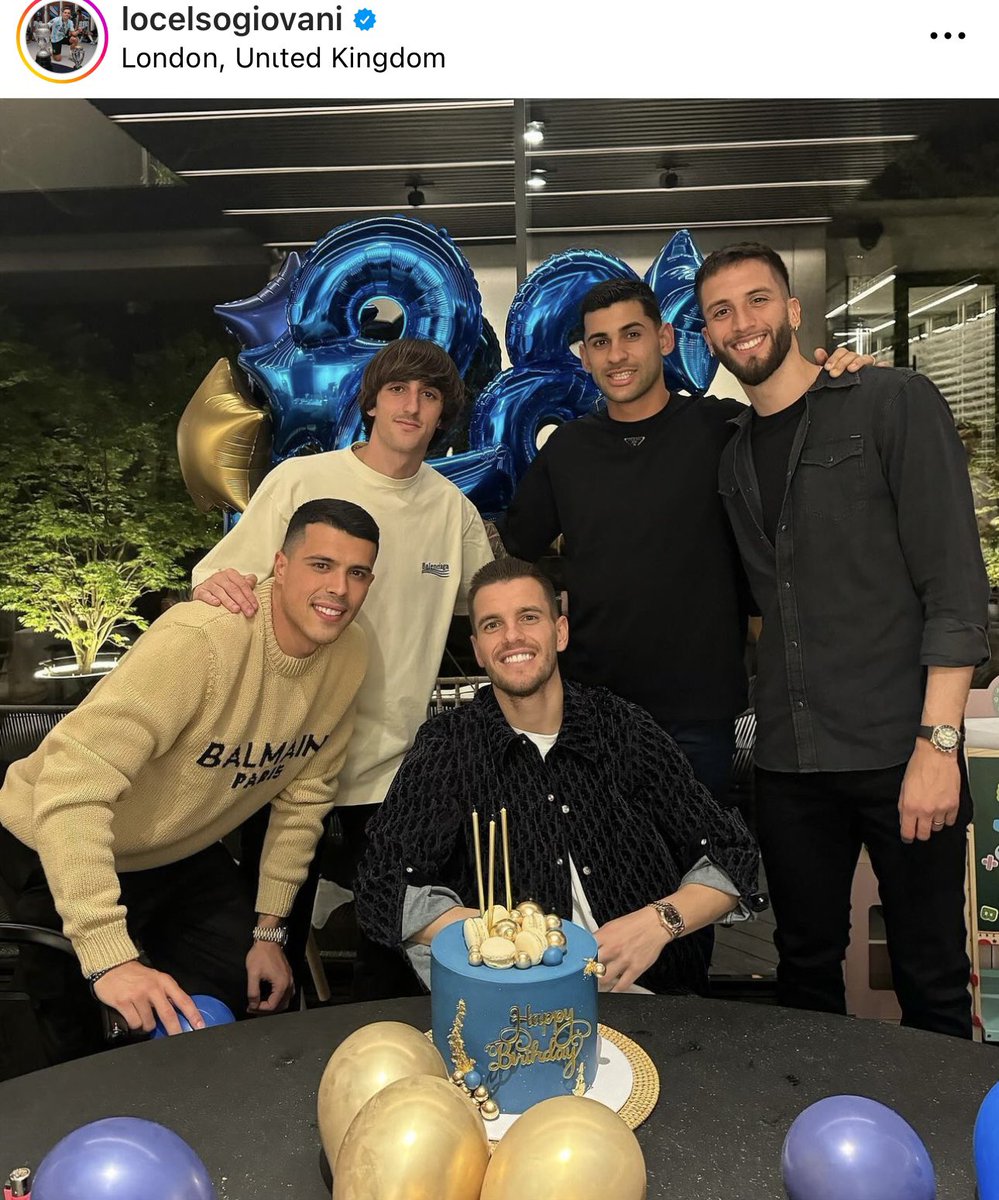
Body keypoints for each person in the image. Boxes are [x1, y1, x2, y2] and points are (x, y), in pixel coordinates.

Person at [697, 241, 990, 1038]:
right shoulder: (728, 459)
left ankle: (954, 1157)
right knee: (803, 971)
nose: (741, 323)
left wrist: (938, 745)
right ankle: (819, 1148)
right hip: (790, 764)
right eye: (720, 312)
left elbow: (955, 592)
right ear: (707, 335)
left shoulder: (890, 402)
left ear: (792, 312)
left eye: (756, 301)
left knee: (929, 974)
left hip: (902, 748)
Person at [0, 498, 376, 1051]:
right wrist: (111, 957)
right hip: (57, 836)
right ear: (281, 564)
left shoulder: (351, 655)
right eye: (321, 565)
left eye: (357, 572)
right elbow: (71, 786)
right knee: (85, 1041)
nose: (339, 589)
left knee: (239, 989)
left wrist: (269, 933)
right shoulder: (201, 641)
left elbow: (305, 799)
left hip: (175, 850)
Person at [191, 338, 494, 995]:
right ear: (371, 401)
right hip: (280, 754)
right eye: (398, 390)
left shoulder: (451, 511)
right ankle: (264, 1071)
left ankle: (386, 1068)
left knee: (393, 942)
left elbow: (496, 602)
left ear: (443, 413)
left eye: (430, 394)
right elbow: (218, 575)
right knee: (261, 945)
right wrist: (213, 591)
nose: (412, 406)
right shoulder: (301, 483)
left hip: (387, 767)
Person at [500, 278, 871, 806]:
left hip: (700, 714)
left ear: (666, 339)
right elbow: (516, 548)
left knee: (701, 873)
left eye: (632, 334)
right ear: (584, 357)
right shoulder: (569, 450)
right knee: (607, 878)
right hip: (595, 711)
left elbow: (806, 432)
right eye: (599, 342)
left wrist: (852, 378)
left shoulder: (722, 428)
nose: (617, 354)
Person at [355, 557, 760, 995]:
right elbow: (382, 885)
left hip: (650, 997)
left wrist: (658, 922)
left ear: (560, 631)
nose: (512, 636)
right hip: (512, 1005)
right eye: (493, 625)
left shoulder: (623, 729)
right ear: (477, 648)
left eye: (528, 617)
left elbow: (730, 851)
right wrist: (506, 938)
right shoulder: (449, 746)